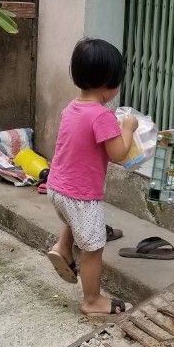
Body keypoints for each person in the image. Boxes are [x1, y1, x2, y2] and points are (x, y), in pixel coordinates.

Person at [47, 37, 138, 317]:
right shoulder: (102, 116)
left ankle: (63, 247)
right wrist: (128, 128)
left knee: (75, 220)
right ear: (110, 82)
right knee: (93, 248)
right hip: (82, 196)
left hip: (57, 188)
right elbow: (119, 154)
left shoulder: (71, 108)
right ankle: (92, 300)